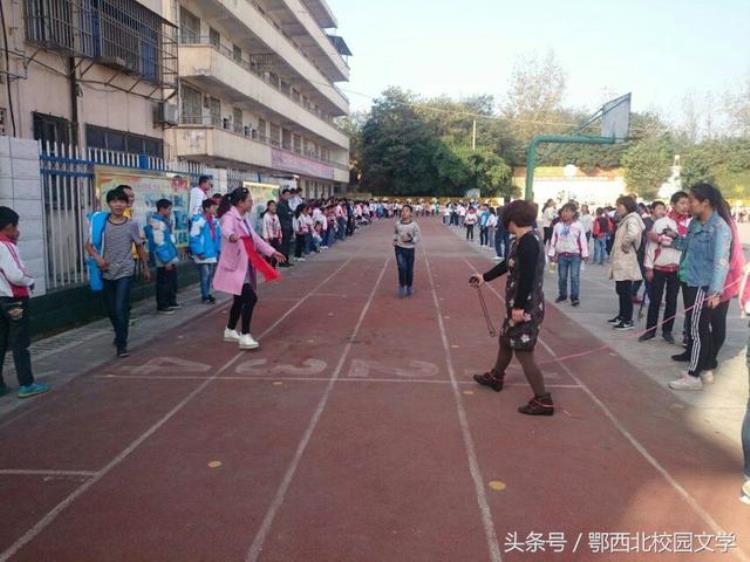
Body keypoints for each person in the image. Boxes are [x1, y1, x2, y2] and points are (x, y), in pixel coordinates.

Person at [470, 199, 553, 416]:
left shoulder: (529, 243)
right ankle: (496, 376)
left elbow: (526, 277)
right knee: (506, 339)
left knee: (524, 351)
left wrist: (519, 308)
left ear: (512, 220)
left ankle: (543, 399)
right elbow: (508, 264)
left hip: (525, 305)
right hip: (518, 303)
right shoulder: (522, 240)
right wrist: (484, 277)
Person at [666, 183, 732, 391]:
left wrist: (715, 291)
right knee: (696, 327)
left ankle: (694, 375)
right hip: (690, 280)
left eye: (692, 201)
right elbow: (687, 246)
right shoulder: (695, 224)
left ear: (705, 203)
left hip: (703, 285)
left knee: (697, 329)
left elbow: (721, 262)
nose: (688, 205)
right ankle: (700, 368)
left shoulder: (720, 228)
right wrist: (674, 238)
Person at [213, 187, 286, 350]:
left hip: (245, 265)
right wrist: (231, 236)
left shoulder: (244, 218)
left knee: (239, 300)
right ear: (240, 203)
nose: (251, 202)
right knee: (251, 298)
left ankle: (230, 329)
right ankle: (245, 335)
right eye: (249, 200)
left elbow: (256, 239)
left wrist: (272, 252)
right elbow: (226, 229)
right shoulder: (229, 216)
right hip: (234, 266)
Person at [85, 188, 150, 358]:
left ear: (126, 204)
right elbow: (88, 245)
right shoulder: (102, 224)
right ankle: (119, 332)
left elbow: (139, 247)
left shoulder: (132, 225)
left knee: (121, 308)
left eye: (121, 201)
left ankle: (122, 345)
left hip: (125, 272)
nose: (118, 205)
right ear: (109, 204)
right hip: (106, 272)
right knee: (111, 310)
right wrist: (98, 258)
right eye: (114, 201)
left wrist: (145, 266)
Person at [0, 207, 49, 399]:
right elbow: (15, 274)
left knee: (1, 341)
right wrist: (30, 280)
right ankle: (27, 383)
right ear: (11, 226)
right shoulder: (6, 246)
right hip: (14, 299)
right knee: (20, 342)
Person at [640, 193, 689, 343]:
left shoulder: (689, 224)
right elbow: (651, 245)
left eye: (687, 203)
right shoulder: (662, 223)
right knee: (655, 300)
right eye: (681, 203)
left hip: (677, 269)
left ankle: (667, 331)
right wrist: (649, 268)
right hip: (659, 268)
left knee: (672, 301)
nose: (685, 206)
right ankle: (650, 330)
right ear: (673, 204)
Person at [607, 196, 645, 331]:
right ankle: (622, 315)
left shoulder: (632, 219)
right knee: (621, 288)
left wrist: (625, 244)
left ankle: (627, 319)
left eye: (620, 206)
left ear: (627, 206)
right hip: (621, 259)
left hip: (626, 259)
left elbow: (633, 233)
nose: (617, 208)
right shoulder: (626, 220)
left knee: (625, 290)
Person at [548, 202, 588, 307]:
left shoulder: (578, 226)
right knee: (562, 277)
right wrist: (552, 253)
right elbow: (553, 240)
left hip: (575, 255)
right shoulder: (558, 226)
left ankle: (574, 297)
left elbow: (582, 240)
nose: (565, 214)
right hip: (562, 255)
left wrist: (584, 254)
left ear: (574, 213)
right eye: (564, 211)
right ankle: (562, 295)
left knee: (574, 276)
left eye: (568, 211)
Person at [146, 199, 180, 314]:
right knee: (164, 281)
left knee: (171, 280)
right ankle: (163, 305)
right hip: (163, 256)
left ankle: (171, 301)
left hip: (168, 254)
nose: (170, 211)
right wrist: (166, 260)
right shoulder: (157, 222)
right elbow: (159, 242)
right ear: (162, 209)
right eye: (169, 209)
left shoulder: (164, 221)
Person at [190, 198, 221, 304]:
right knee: (205, 275)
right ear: (207, 208)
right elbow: (194, 237)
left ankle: (207, 294)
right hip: (202, 253)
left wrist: (218, 249)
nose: (215, 209)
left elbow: (217, 237)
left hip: (211, 252)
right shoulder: (199, 220)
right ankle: (205, 296)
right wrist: (199, 251)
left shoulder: (214, 221)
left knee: (209, 275)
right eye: (213, 207)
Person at [393, 204, 421, 297]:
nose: (404, 213)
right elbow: (395, 232)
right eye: (402, 211)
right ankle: (401, 286)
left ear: (410, 213)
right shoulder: (397, 223)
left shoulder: (414, 225)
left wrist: (411, 239)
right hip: (399, 249)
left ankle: (409, 286)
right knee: (401, 268)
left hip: (410, 249)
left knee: (409, 269)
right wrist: (395, 240)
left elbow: (418, 237)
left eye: (406, 211)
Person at [262, 200, 283, 267]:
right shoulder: (266, 216)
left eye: (274, 206)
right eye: (271, 206)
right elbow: (264, 227)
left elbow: (279, 226)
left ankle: (273, 267)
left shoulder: (276, 216)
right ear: (268, 207)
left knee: (275, 253)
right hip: (269, 238)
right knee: (268, 254)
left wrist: (280, 236)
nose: (273, 207)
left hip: (276, 237)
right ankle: (267, 267)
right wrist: (266, 239)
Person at [277, 188, 294, 267]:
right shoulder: (280, 204)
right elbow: (286, 215)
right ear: (283, 195)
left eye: (289, 195)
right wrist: (289, 214)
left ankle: (286, 260)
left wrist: (290, 213)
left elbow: (291, 213)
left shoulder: (286, 203)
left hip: (288, 227)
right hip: (283, 227)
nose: (288, 196)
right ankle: (282, 262)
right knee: (283, 245)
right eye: (286, 195)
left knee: (287, 245)